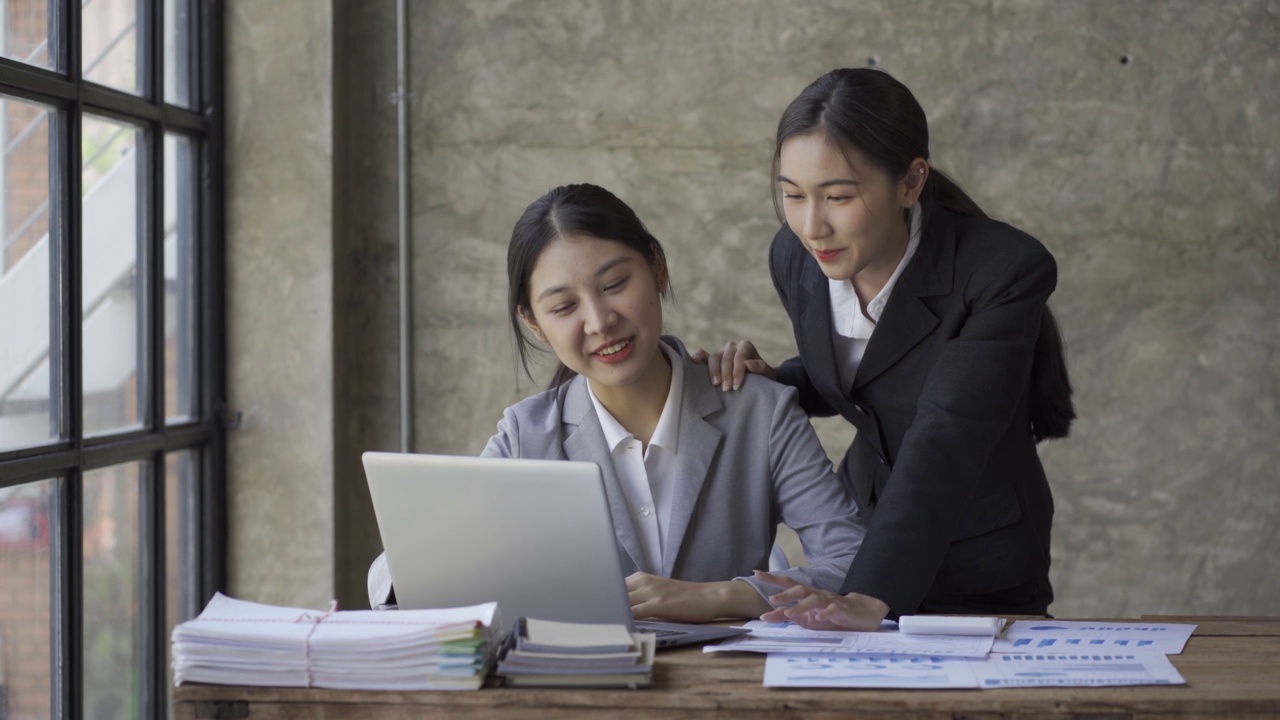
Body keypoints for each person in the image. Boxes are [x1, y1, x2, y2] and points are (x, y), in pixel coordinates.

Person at [368, 183, 866, 622]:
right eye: (564, 307)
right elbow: (398, 576)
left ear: (657, 268)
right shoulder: (527, 435)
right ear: (535, 325)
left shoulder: (760, 412)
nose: (599, 321)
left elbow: (853, 560)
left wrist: (718, 597)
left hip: (730, 691)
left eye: (614, 285)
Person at [698, 68, 1075, 630]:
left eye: (838, 197)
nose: (811, 225)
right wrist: (775, 382)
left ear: (910, 182)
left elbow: (949, 427)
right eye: (792, 196)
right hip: (862, 536)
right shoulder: (795, 258)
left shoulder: (1002, 269)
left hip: (976, 562)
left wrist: (870, 594)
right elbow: (873, 373)